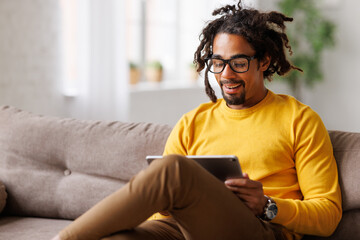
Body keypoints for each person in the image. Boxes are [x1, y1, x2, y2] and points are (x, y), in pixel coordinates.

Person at [52, 1, 342, 239]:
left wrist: (268, 206)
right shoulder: (194, 121)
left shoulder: (300, 119)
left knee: (173, 169)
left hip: (260, 229)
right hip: (188, 228)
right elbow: (162, 209)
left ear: (264, 61)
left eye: (238, 63)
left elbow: (327, 215)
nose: (226, 75)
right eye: (218, 63)